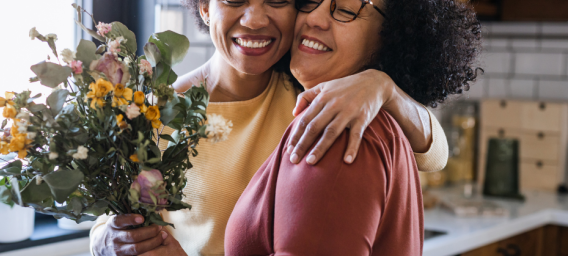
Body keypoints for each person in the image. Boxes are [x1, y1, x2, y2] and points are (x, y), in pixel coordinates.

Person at [89, 0, 459, 254]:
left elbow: (435, 152)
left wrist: (384, 87)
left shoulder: (316, 93)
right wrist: (104, 239)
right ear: (205, 6)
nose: (254, 19)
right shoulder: (153, 110)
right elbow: (115, 217)